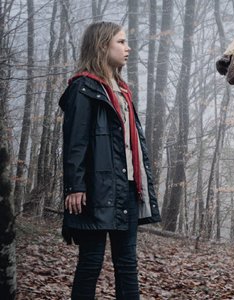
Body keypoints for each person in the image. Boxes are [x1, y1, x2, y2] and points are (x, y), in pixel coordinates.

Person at [59, 21, 161, 300]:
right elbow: (75, 142)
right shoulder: (83, 88)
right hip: (93, 189)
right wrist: (75, 186)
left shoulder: (121, 89)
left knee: (127, 263)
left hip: (126, 188)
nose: (128, 48)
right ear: (103, 46)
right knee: (91, 261)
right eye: (121, 42)